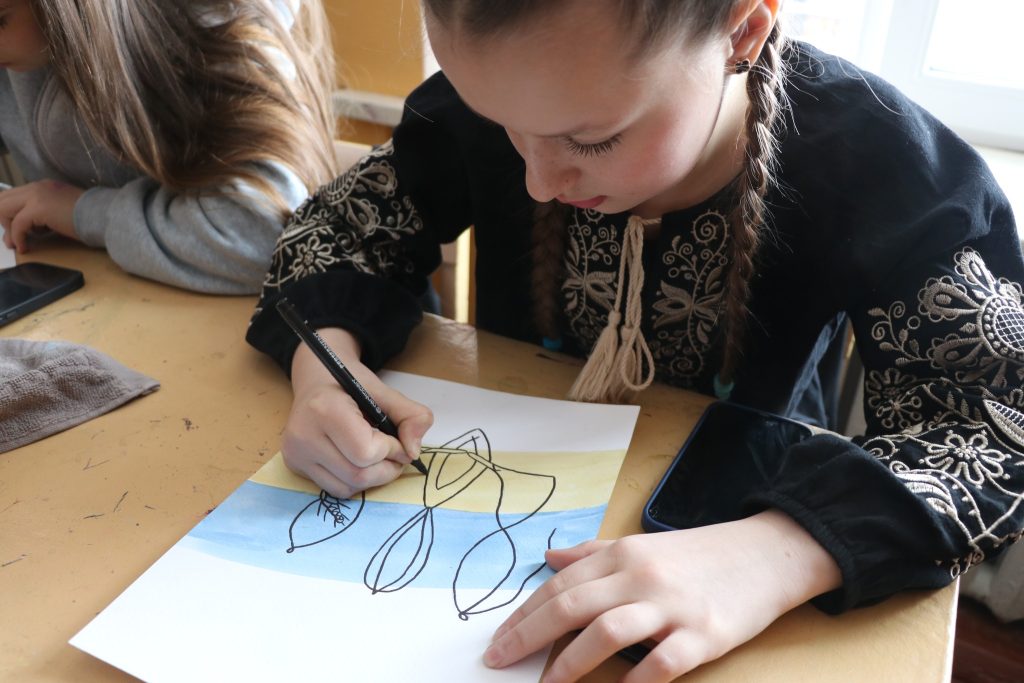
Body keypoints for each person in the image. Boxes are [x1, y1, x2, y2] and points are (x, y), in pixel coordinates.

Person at [246, 0, 1024, 680]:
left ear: (742, 31)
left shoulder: (878, 162)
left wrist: (774, 554)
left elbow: (998, 417)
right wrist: (324, 368)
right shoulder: (504, 92)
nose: (538, 182)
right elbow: (339, 228)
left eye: (590, 141)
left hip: (735, 553)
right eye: (506, 127)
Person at [0, 0, 336, 294]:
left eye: (1, 19)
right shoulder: (19, 45)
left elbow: (264, 235)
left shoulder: (215, 28)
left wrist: (81, 213)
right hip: (97, 293)